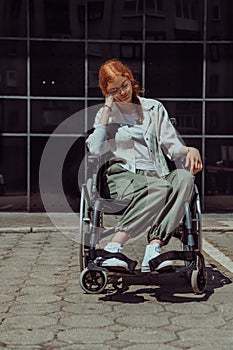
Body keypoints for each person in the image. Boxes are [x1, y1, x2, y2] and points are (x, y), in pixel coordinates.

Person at [86, 59, 203, 272]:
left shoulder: (154, 108)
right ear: (106, 91)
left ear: (131, 81)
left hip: (156, 174)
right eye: (114, 90)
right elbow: (94, 149)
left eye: (125, 85)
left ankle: (153, 249)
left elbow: (171, 145)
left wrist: (190, 150)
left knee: (184, 178)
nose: (122, 92)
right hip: (122, 176)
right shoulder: (106, 115)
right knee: (158, 187)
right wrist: (106, 109)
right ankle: (114, 247)